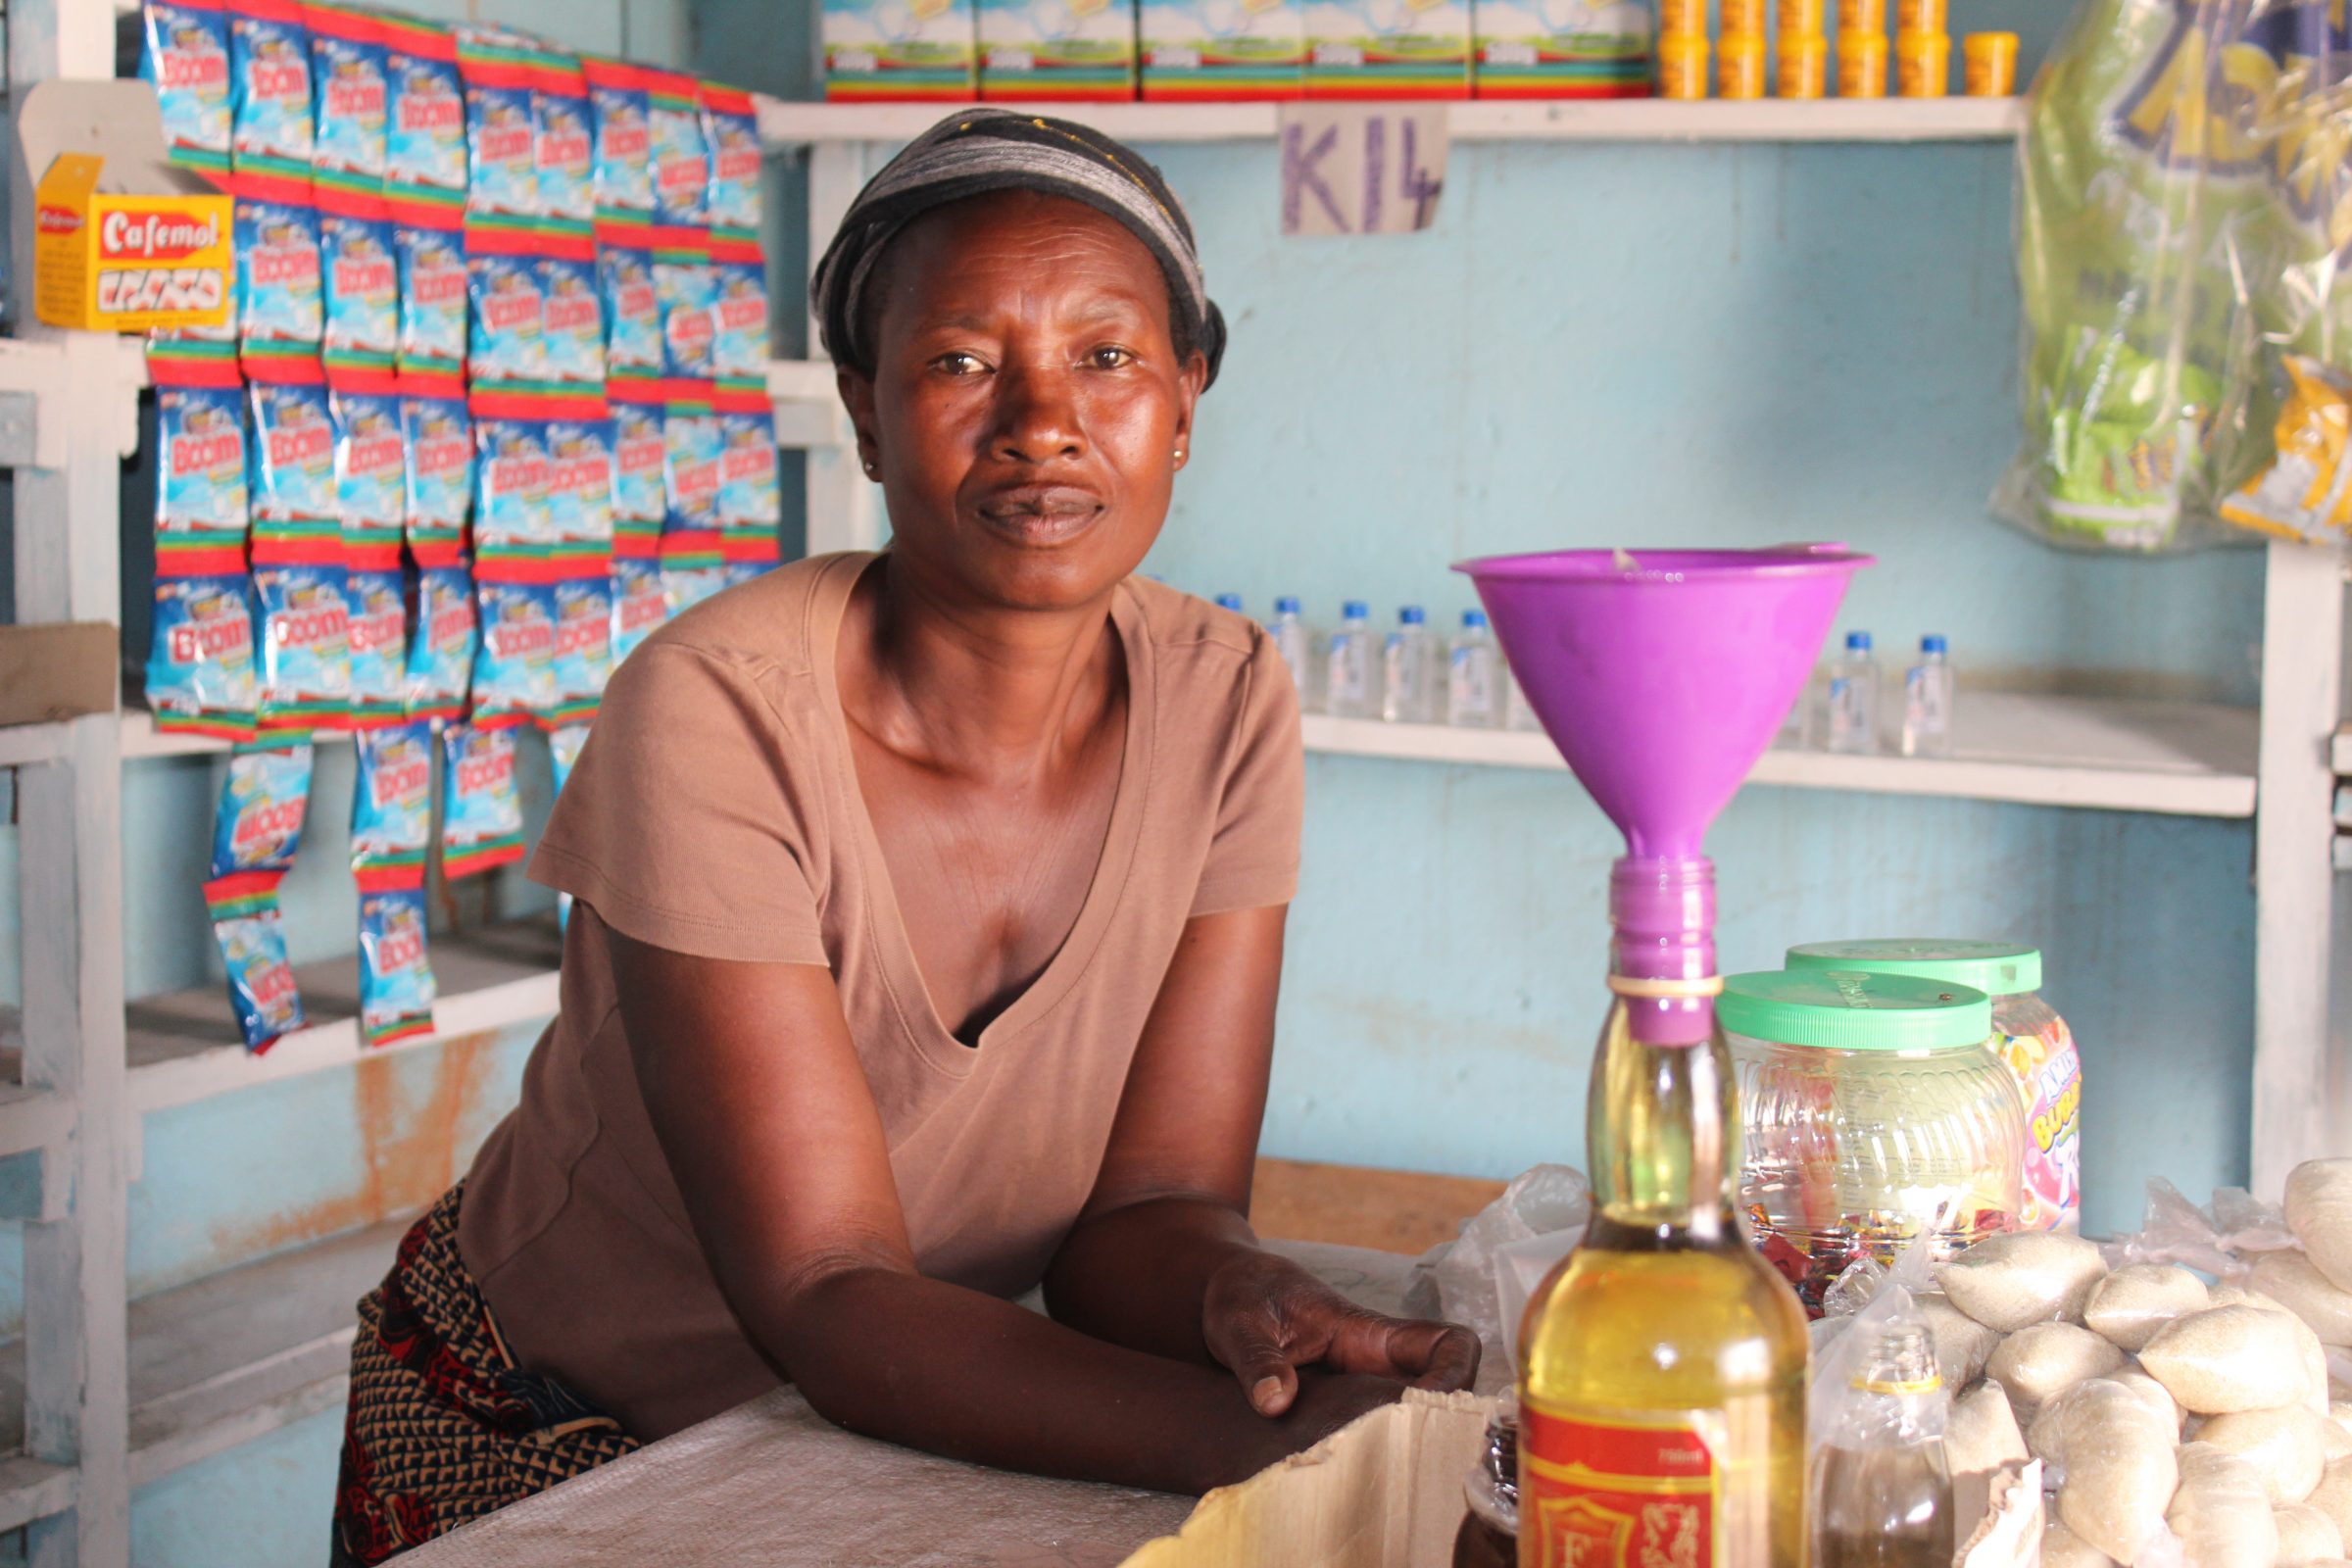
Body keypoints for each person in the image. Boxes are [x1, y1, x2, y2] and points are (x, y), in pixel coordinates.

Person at [331, 109, 1478, 1564]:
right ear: (864, 408)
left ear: (1188, 397)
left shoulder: (1229, 696)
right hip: (546, 1428)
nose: (1041, 419)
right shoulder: (714, 710)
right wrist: (1282, 1444)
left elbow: (1150, 1207)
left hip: (878, 1423)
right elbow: (827, 1286)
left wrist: (1239, 1304)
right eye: (958, 361)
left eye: (1109, 356)